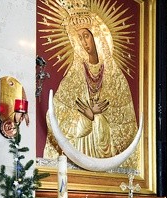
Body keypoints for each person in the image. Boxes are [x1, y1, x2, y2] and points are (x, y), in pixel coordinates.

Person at [44, 5, 138, 164]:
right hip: (81, 148)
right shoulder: (74, 75)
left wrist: (100, 117)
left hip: (105, 148)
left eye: (86, 35)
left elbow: (125, 124)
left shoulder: (116, 77)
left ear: (97, 37)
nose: (83, 42)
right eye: (79, 37)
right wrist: (87, 116)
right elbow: (58, 114)